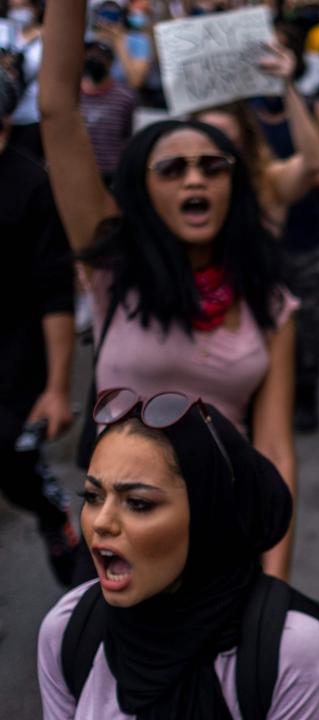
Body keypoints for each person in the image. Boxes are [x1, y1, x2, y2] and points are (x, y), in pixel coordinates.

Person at [38, 0, 300, 579]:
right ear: (143, 190)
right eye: (173, 169)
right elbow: (57, 111)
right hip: (116, 541)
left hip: (221, 540)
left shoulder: (271, 299)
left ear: (235, 185)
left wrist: (274, 586)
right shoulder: (114, 270)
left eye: (212, 166)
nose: (195, 179)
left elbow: (275, 450)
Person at [37, 390, 319, 718]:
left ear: (207, 516)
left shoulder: (290, 652)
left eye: (139, 503)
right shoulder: (67, 629)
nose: (101, 522)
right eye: (92, 496)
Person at [197, 45, 319, 433]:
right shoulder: (185, 192)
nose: (217, 155)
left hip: (257, 317)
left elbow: (315, 163)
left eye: (227, 143)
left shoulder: (268, 184)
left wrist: (287, 87)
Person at [0, 65, 79, 585]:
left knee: (13, 460)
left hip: (14, 359)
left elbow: (56, 293)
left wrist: (56, 387)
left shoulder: (30, 184)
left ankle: (58, 521)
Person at [78, 39, 135, 181]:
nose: (94, 61)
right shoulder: (71, 94)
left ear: (110, 63)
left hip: (111, 173)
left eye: (100, 57)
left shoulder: (125, 98)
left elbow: (126, 134)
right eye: (90, 56)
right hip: (78, 171)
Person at [6, 0, 45, 158]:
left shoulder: (49, 38)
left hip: (31, 116)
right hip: (4, 114)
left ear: (35, 9)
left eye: (22, 6)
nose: (18, 12)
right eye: (13, 7)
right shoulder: (3, 30)